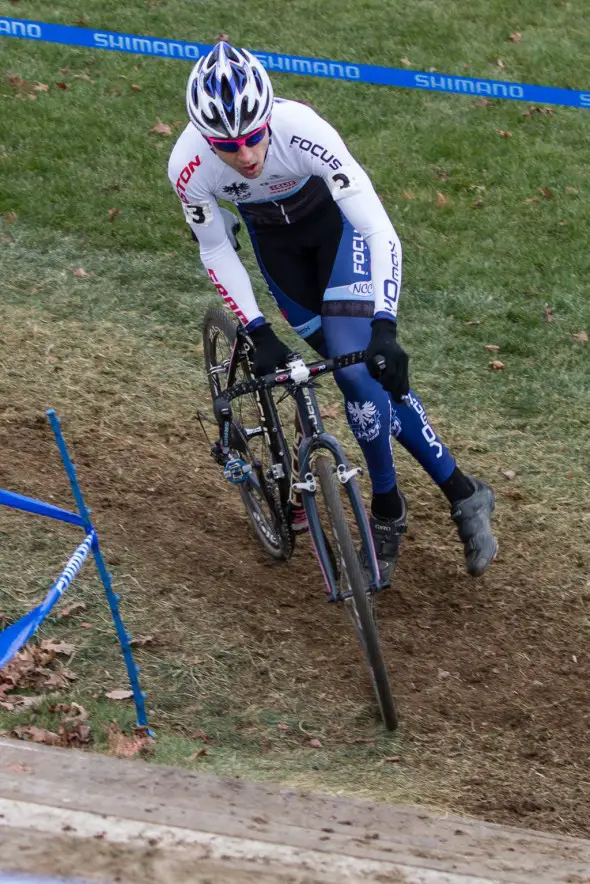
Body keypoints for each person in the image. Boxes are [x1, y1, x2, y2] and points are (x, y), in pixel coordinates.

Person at [168, 41, 498, 581]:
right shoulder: (188, 165)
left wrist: (385, 322)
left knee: (360, 366)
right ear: (205, 138)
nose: (246, 156)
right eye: (228, 146)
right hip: (282, 258)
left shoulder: (304, 131)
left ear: (268, 116)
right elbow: (214, 247)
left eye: (253, 138)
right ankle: (463, 492)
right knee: (365, 379)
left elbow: (375, 226)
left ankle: (388, 510)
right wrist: (255, 328)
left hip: (338, 238)